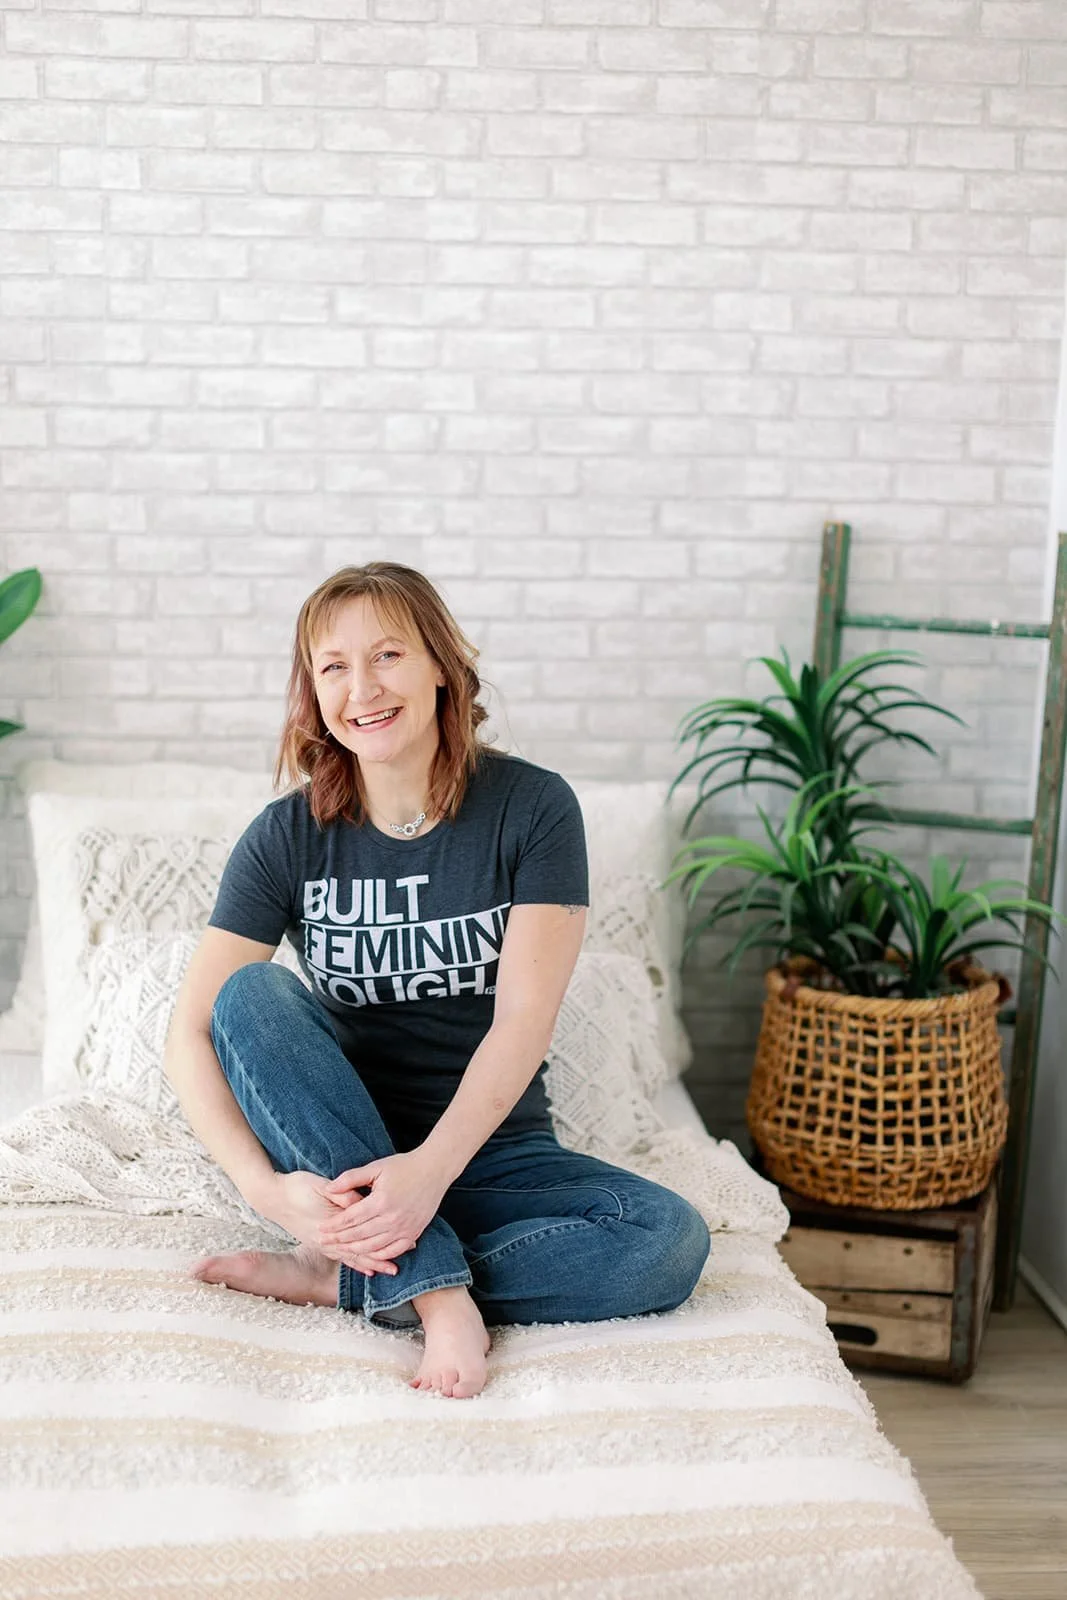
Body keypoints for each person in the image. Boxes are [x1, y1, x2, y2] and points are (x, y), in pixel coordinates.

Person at [164, 562, 710, 1400]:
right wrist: (263, 1189)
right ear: (312, 692)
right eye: (333, 666)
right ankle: (437, 1295)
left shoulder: (531, 809)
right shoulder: (287, 836)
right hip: (341, 1153)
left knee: (664, 1242)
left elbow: (523, 1022)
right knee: (250, 994)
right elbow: (195, 1030)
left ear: (441, 666)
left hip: (488, 1151)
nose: (363, 688)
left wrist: (426, 1179)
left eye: (387, 655)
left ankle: (346, 1278)